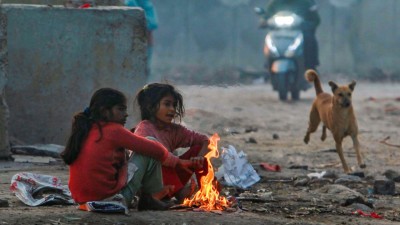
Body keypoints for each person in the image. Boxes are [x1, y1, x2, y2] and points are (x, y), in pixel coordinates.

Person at [60, 88, 200, 211]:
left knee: (140, 152)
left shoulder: (87, 129)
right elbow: (152, 149)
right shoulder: (114, 130)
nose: (126, 114)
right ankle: (155, 198)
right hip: (110, 201)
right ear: (105, 111)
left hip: (82, 200)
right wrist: (178, 162)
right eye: (121, 109)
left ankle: (153, 197)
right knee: (151, 144)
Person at [133, 83, 210, 203]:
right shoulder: (144, 128)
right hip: (150, 184)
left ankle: (206, 191)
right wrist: (178, 161)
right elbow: (148, 156)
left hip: (171, 180)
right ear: (150, 107)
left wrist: (199, 157)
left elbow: (205, 141)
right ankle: (180, 193)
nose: (172, 109)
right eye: (167, 104)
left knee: (198, 150)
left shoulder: (174, 130)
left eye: (174, 105)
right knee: (160, 158)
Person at [263, 0, 320, 70]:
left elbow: (314, 19)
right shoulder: (275, 2)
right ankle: (269, 63)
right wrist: (264, 21)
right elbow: (266, 16)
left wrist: (307, 24)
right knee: (269, 40)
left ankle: (310, 65)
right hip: (278, 32)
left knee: (309, 38)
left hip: (299, 31)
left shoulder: (305, 2)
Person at [124, 0, 158, 80]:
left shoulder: (146, 4)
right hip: (131, 44)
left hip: (145, 44)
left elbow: (153, 24)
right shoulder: (130, 3)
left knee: (144, 69)